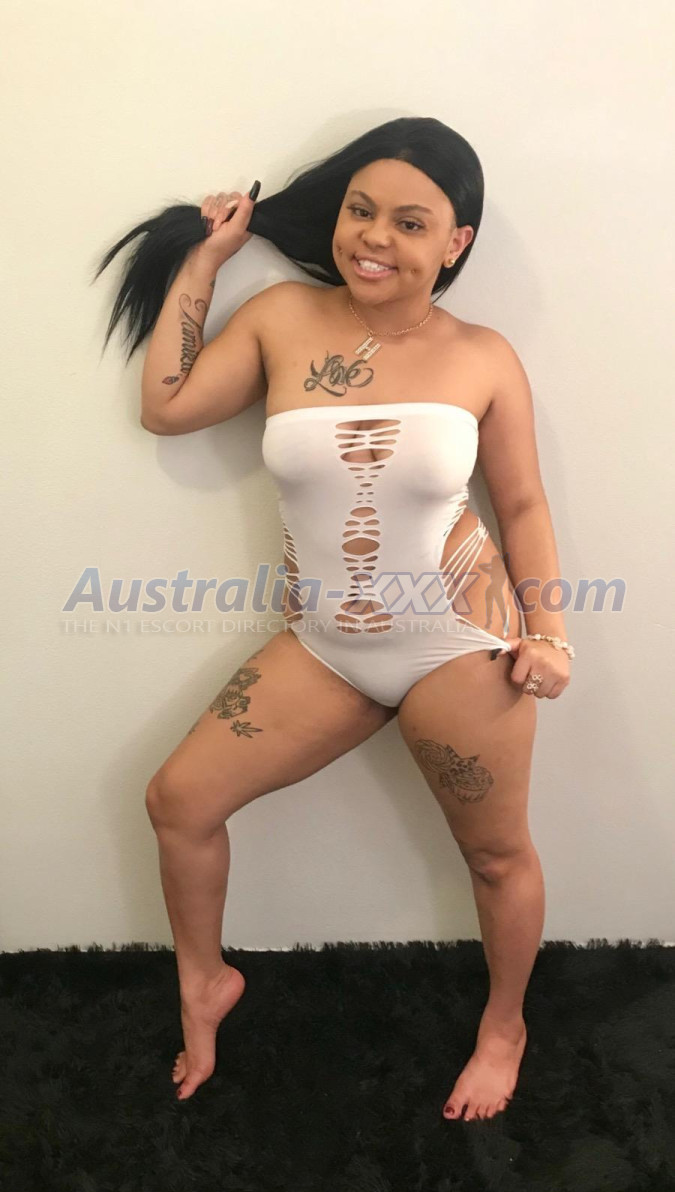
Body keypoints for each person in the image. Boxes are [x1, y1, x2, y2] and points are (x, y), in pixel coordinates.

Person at [94, 117, 573, 1120]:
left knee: (495, 856)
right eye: (361, 210)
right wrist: (205, 261)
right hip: (327, 647)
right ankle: (204, 982)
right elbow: (167, 406)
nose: (374, 237)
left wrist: (549, 633)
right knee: (178, 802)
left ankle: (505, 1028)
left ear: (457, 241)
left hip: (460, 646)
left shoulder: (484, 357)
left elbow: (522, 506)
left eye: (410, 222)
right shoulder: (281, 317)